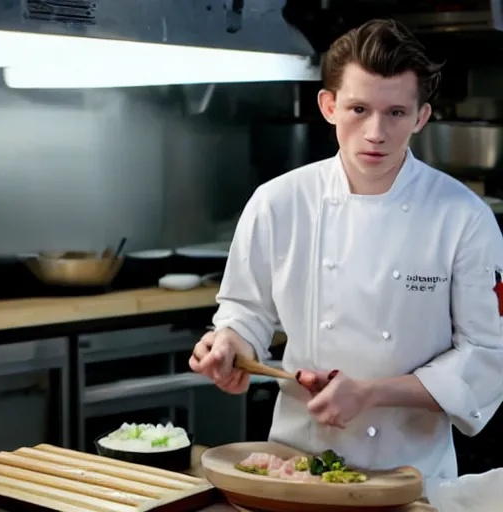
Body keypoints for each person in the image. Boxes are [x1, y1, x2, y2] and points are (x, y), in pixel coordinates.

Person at [189, 18, 503, 489]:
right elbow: (245, 311)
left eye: (396, 113)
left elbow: (485, 355)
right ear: (329, 105)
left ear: (421, 117)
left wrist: (372, 394)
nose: (375, 132)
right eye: (359, 108)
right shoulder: (278, 202)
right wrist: (232, 343)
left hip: (414, 479)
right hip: (295, 468)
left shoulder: (465, 218)